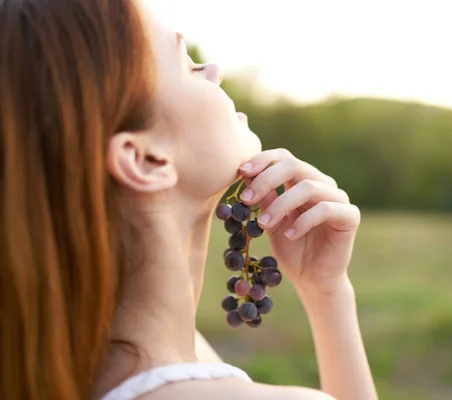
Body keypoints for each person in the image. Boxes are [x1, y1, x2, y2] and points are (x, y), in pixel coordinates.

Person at [0, 0, 378, 399]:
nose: (214, 70)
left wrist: (326, 287)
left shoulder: (56, 357)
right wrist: (329, 300)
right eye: (188, 66)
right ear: (146, 159)